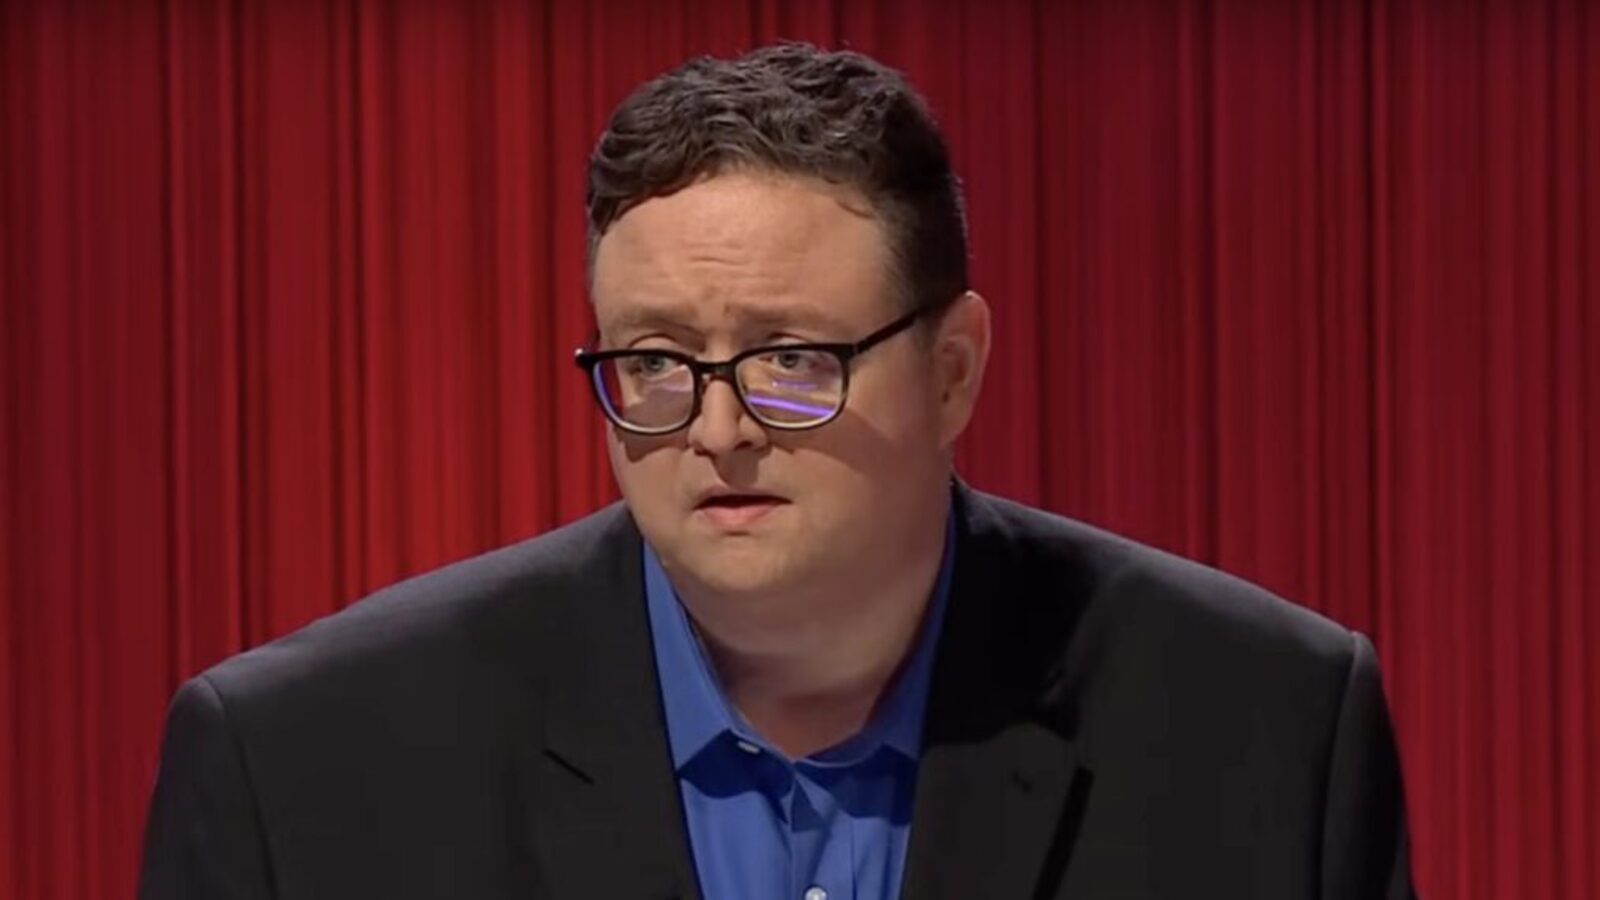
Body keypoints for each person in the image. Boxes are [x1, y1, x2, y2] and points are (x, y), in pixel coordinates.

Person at [140, 43, 1415, 900]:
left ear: (953, 370)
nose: (718, 427)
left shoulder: (1265, 730)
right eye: (654, 361)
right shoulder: (299, 771)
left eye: (791, 359)